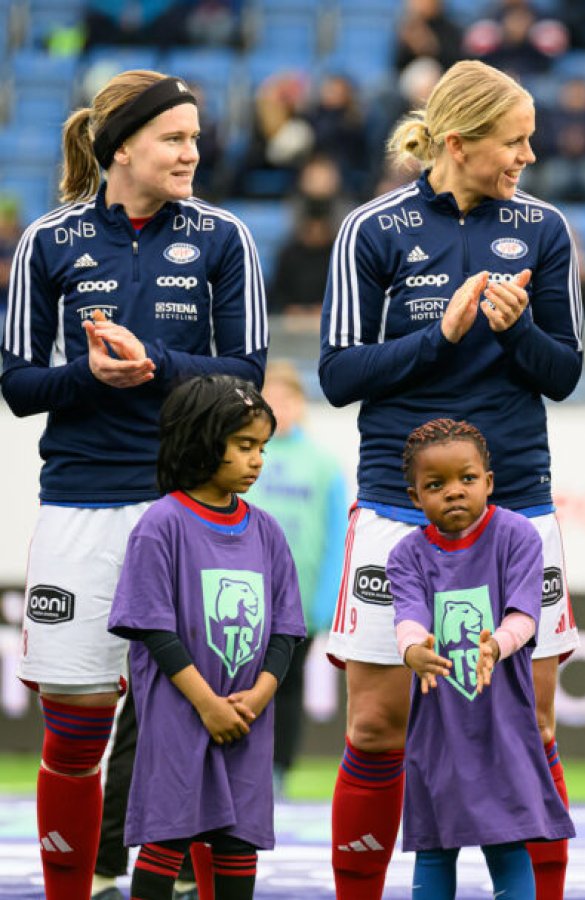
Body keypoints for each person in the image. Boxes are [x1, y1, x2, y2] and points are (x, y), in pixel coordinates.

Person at [319, 60, 584, 900]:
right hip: (398, 505)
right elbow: (337, 374)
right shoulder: (372, 229)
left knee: (531, 725)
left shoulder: (543, 229)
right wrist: (442, 334)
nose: (529, 157)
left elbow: (565, 374)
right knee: (375, 724)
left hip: (516, 506)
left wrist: (512, 334)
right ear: (460, 143)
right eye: (515, 141)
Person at [2, 69, 268, 899]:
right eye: (175, 138)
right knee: (76, 730)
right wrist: (88, 375)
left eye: (195, 137)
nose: (194, 151)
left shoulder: (227, 237)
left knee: (198, 723)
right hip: (80, 503)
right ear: (122, 146)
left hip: (191, 508)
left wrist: (156, 369)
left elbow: (249, 376)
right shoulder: (48, 241)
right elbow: (17, 385)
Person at [107, 375, 304, 900]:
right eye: (244, 446)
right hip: (183, 712)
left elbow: (286, 629)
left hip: (247, 715)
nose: (257, 459)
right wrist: (207, 704)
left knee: (238, 844)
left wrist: (258, 696)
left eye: (261, 447)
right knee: (167, 835)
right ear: (201, 439)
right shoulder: (161, 523)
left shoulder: (267, 531)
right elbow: (153, 626)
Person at [390, 418, 575, 899]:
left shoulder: (517, 535)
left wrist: (496, 646)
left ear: (488, 483)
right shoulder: (406, 554)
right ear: (415, 497)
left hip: (503, 719)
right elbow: (408, 618)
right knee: (434, 844)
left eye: (467, 479)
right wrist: (413, 651)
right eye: (436, 485)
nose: (454, 492)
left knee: (507, 840)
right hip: (438, 721)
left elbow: (525, 616)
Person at [252, 361, 347, 792]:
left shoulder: (324, 465)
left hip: (300, 602)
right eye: (270, 400)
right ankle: (239, 771)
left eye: (287, 400)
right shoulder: (241, 456)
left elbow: (336, 536)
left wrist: (326, 603)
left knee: (287, 692)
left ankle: (277, 775)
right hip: (245, 599)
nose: (280, 408)